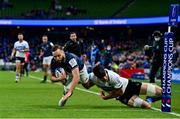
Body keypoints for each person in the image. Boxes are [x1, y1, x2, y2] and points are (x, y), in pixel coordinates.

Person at [83, 63, 162, 109]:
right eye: (102, 77)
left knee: (160, 91)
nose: (105, 78)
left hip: (128, 85)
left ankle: (152, 97)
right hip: (123, 97)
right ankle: (149, 99)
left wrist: (105, 97)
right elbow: (87, 85)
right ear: (96, 76)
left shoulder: (113, 76)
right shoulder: (92, 77)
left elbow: (119, 92)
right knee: (147, 106)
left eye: (104, 75)